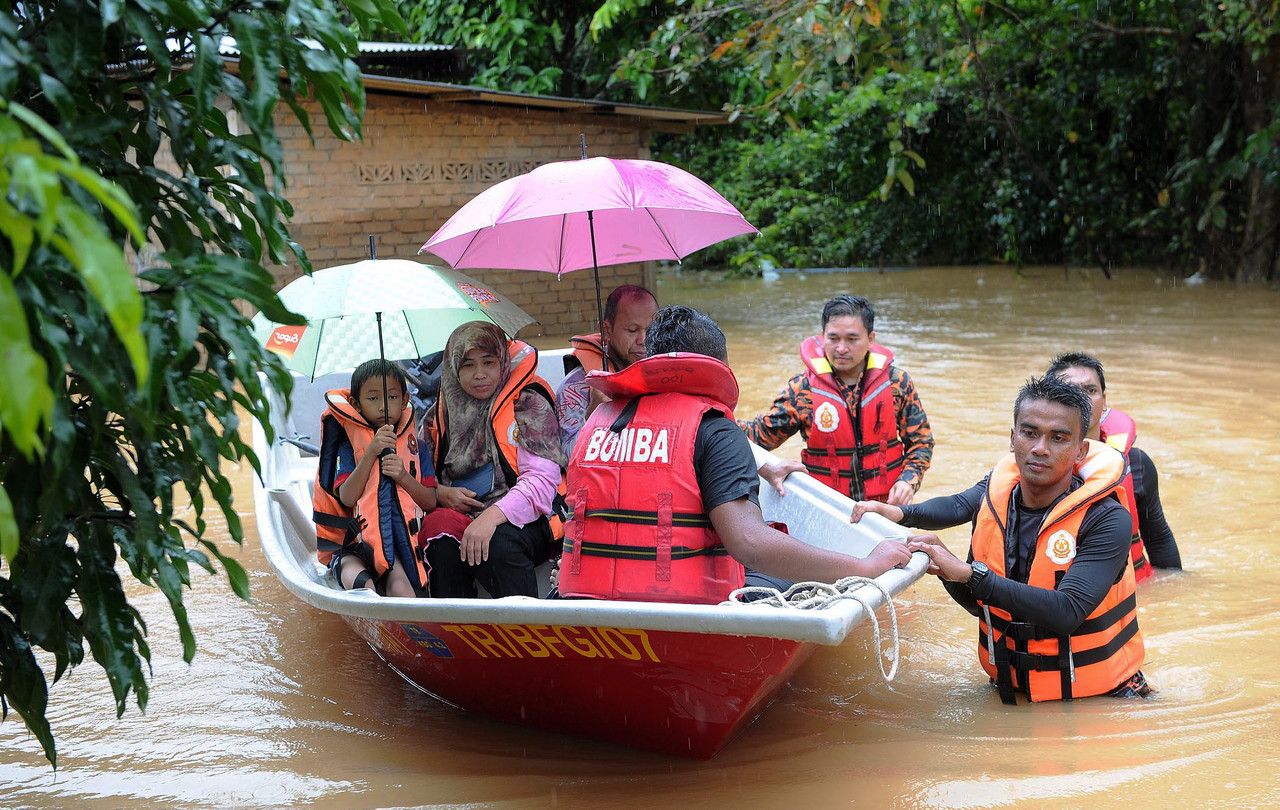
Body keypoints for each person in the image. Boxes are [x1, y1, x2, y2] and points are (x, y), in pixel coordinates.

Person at [555, 305, 912, 605]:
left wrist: (756, 463)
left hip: (583, 601)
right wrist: (864, 565)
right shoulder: (716, 428)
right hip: (679, 606)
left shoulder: (597, 419)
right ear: (719, 363)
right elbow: (750, 543)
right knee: (796, 582)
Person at [852, 375, 1149, 703]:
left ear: (1080, 451)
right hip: (1011, 690)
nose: (1040, 448)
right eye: (1029, 433)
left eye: (1058, 438)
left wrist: (968, 574)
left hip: (1102, 702)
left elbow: (1067, 612)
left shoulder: (1107, 519)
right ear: (1012, 438)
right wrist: (944, 570)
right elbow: (985, 608)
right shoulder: (997, 501)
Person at [739, 294, 933, 506]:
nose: (841, 348)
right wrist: (714, 418)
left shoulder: (897, 383)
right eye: (833, 339)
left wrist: (908, 481)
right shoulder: (802, 390)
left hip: (885, 509)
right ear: (822, 337)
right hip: (829, 510)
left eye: (852, 339)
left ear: (871, 339)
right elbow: (759, 437)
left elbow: (921, 442)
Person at [419, 321, 567, 598]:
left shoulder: (528, 403)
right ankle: (457, 628)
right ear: (453, 369)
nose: (480, 374)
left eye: (488, 362)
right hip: (466, 517)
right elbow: (418, 480)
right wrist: (440, 493)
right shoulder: (436, 417)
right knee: (437, 528)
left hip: (531, 518)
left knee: (500, 541)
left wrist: (491, 516)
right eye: (468, 365)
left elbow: (542, 481)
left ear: (503, 362)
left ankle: (526, 631)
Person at [1046, 351, 1182, 580]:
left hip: (1128, 593)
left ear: (1104, 400)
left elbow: (1158, 540)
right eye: (1069, 390)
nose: (1082, 399)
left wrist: (1178, 591)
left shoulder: (1136, 464)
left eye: (1090, 390)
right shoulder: (1035, 463)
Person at [312, 360, 437, 597]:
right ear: (355, 405)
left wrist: (402, 476)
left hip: (395, 545)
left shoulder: (416, 447)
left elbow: (430, 501)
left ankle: (407, 629)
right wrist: (370, 454)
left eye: (391, 397)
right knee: (361, 583)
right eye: (373, 399)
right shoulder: (349, 446)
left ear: (404, 400)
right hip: (353, 544)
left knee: (400, 585)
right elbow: (348, 498)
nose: (384, 407)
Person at [555, 284, 658, 458]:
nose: (644, 340)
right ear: (607, 330)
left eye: (651, 330)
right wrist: (594, 415)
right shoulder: (575, 387)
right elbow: (570, 458)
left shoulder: (668, 374)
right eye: (632, 330)